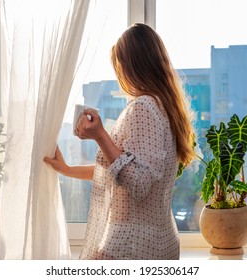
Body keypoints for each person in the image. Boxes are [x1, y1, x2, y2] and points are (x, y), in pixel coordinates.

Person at [43, 23, 195, 260]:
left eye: (120, 65)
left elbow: (139, 183)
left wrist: (101, 136)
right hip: (159, 241)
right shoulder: (165, 108)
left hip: (132, 245)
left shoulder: (143, 107)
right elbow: (121, 171)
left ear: (133, 65)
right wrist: (67, 169)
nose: (119, 73)